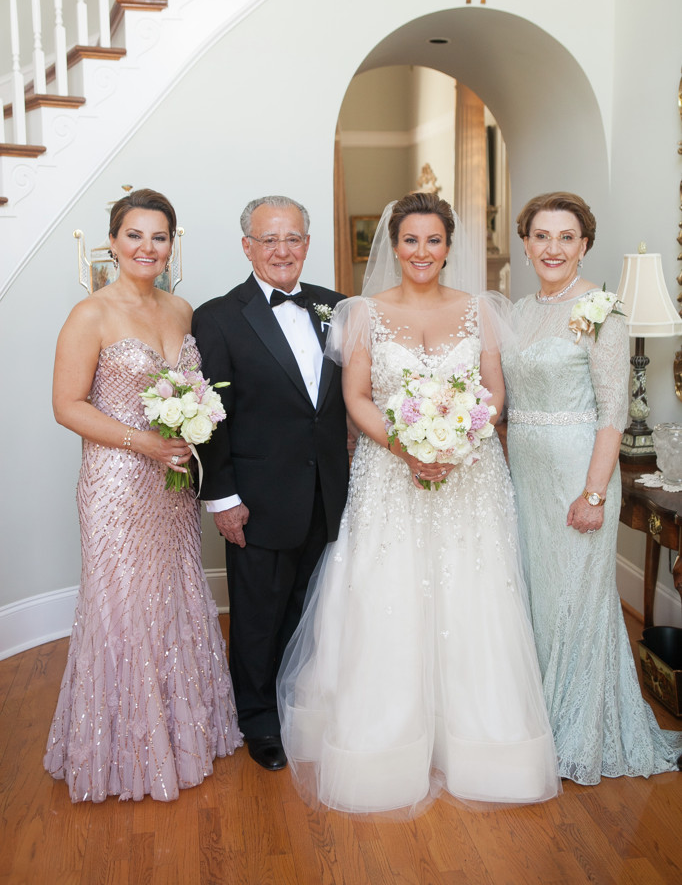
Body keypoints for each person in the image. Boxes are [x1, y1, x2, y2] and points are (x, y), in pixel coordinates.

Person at [277, 193, 561, 814]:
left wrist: (459, 439)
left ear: (448, 246)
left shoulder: (481, 310)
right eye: (411, 240)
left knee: (473, 592)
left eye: (434, 240)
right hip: (389, 473)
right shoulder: (361, 314)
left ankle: (481, 742)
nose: (422, 252)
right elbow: (356, 396)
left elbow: (494, 392)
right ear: (394, 245)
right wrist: (406, 446)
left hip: (470, 476)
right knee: (390, 590)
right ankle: (387, 740)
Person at [45, 188, 242, 803]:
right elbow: (66, 406)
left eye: (159, 237)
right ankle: (124, 750)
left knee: (174, 596)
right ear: (113, 242)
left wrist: (190, 429)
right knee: (123, 605)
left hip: (173, 484)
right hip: (117, 485)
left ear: (171, 245)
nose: (147, 247)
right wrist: (144, 442)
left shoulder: (182, 309)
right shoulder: (91, 314)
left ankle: (180, 736)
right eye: (135, 235)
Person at [501, 191, 682, 783]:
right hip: (526, 473)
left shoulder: (604, 311)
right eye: (542, 236)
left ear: (584, 245)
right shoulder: (517, 312)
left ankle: (579, 733)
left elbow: (612, 413)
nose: (553, 248)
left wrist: (596, 494)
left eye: (566, 237)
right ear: (525, 244)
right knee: (537, 598)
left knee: (576, 604)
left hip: (579, 474)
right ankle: (539, 722)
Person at [191, 195, 349, 772]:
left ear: (307, 243)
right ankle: (257, 719)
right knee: (258, 617)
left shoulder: (338, 307)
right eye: (269, 239)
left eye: (294, 238)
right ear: (247, 247)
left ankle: (300, 708)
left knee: (313, 611)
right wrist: (223, 498)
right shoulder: (217, 316)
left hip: (329, 491)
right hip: (257, 499)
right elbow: (209, 415)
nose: (283, 250)